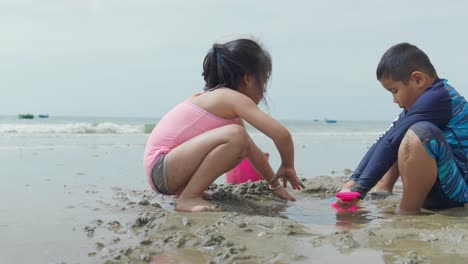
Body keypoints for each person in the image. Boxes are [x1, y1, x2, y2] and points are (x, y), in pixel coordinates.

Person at [144, 38, 304, 212]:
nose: (264, 90)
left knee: (240, 140)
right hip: (162, 169)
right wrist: (288, 165)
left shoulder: (224, 104)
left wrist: (275, 185)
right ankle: (188, 197)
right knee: (237, 136)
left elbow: (252, 151)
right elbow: (281, 134)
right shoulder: (229, 98)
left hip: (166, 172)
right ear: (248, 79)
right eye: (264, 82)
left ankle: (188, 192)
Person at [339, 43, 468, 214]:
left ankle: (407, 211)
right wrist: (353, 181)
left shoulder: (440, 98)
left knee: (419, 133)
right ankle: (384, 188)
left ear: (418, 79)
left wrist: (359, 190)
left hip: (456, 192)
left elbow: (392, 143)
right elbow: (384, 140)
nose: (394, 99)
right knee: (400, 131)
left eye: (395, 91)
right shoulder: (416, 106)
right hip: (441, 182)